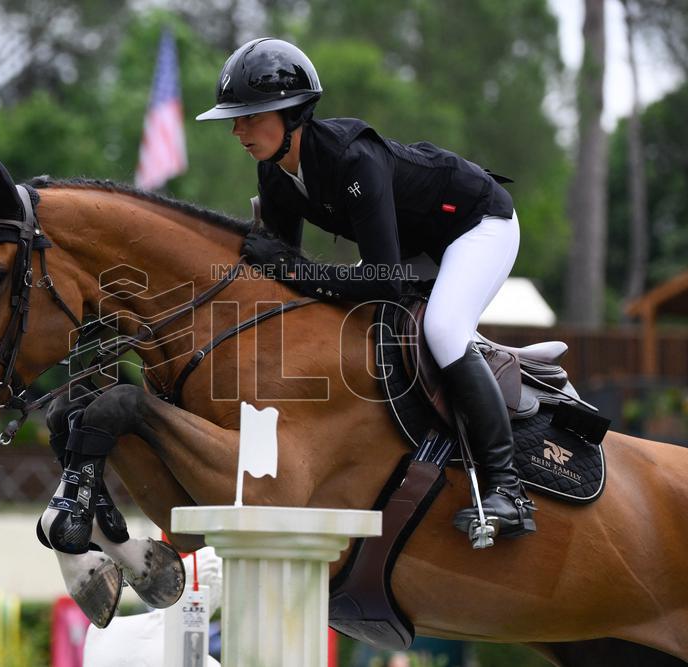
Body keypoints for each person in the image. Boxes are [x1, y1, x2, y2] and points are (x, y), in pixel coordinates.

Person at [195, 38, 535, 538]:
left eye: (250, 115)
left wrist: (290, 270)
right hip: (411, 244)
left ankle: (509, 491)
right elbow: (286, 286)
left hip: (476, 224)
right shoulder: (273, 173)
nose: (237, 129)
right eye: (235, 117)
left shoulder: (354, 160)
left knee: (442, 330)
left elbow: (382, 283)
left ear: (293, 114)